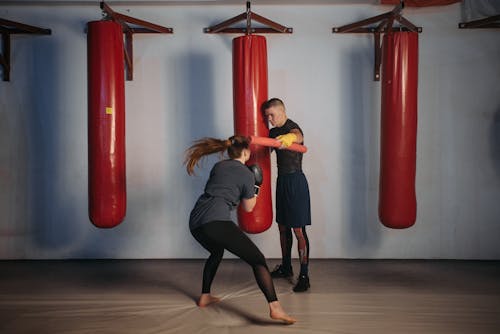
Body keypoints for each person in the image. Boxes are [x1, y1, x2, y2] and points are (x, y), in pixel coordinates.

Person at [184, 135, 297, 325]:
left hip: (196, 221)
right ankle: (275, 308)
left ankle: (205, 296)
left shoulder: (218, 166)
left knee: (216, 251)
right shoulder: (247, 174)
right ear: (246, 152)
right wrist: (256, 185)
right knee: (259, 260)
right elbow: (249, 207)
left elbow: (223, 189)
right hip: (215, 222)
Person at [262, 98, 311, 293]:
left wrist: (289, 139)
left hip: (296, 181)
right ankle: (286, 267)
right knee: (282, 227)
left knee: (298, 229)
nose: (270, 119)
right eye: (268, 117)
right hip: (281, 182)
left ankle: (305, 275)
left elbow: (297, 136)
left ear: (282, 112)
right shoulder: (273, 132)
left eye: (272, 115)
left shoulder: (293, 127)